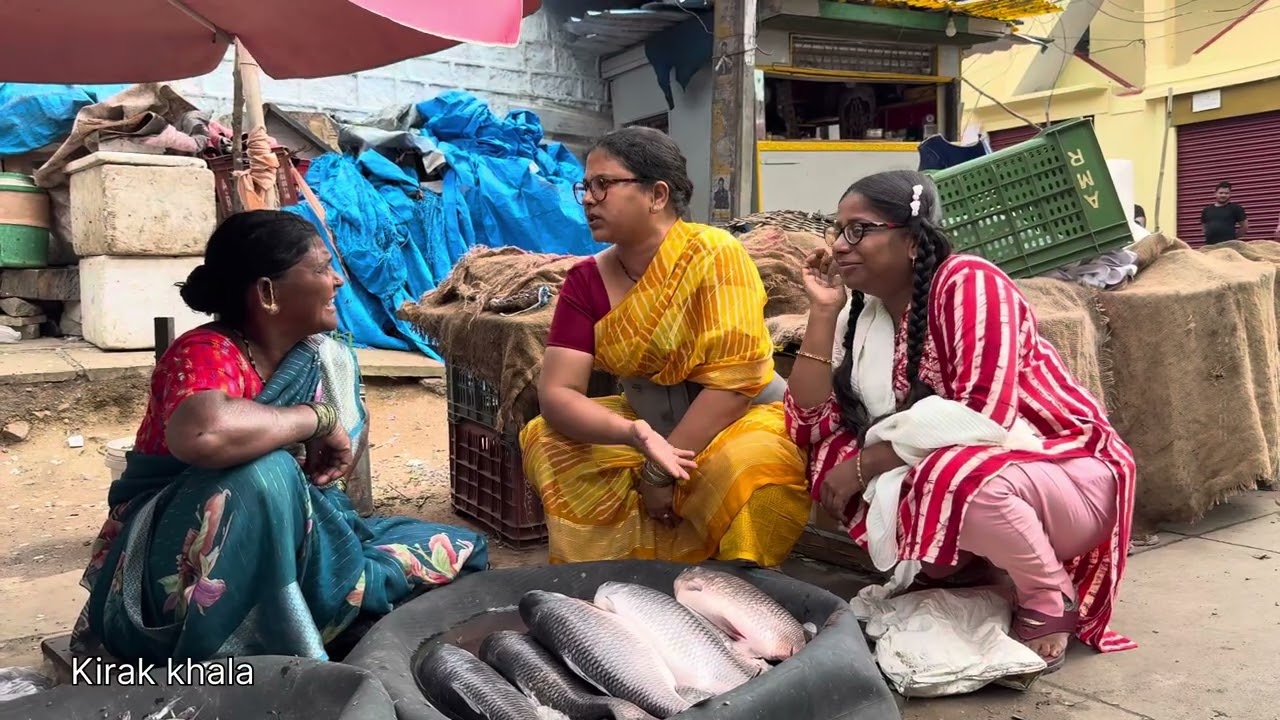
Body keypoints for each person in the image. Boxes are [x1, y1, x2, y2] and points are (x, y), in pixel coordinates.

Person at [70, 210, 489, 663]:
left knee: (457, 547)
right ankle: (230, 654)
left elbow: (329, 485)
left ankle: (309, 609)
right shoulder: (205, 353)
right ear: (268, 292)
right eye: (323, 268)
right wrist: (316, 418)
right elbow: (205, 433)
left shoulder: (323, 359)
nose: (338, 282)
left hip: (297, 540)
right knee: (264, 474)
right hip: (176, 560)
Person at [784, 170, 1137, 672]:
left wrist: (867, 465)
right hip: (995, 476)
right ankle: (958, 567)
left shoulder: (969, 282)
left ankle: (1048, 593)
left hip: (1070, 474)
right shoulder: (861, 314)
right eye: (837, 229)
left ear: (911, 240)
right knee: (829, 456)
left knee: (943, 473)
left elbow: (983, 414)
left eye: (859, 229)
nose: (841, 245)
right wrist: (822, 313)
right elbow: (808, 425)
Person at [518, 126, 811, 567]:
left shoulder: (714, 254)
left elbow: (735, 384)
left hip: (742, 417)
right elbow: (558, 394)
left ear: (657, 195)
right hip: (648, 422)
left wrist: (659, 472)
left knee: (751, 466)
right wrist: (636, 435)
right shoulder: (585, 281)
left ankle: (738, 587)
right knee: (548, 439)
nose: (588, 199)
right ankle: (618, 578)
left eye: (604, 184)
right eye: (586, 186)